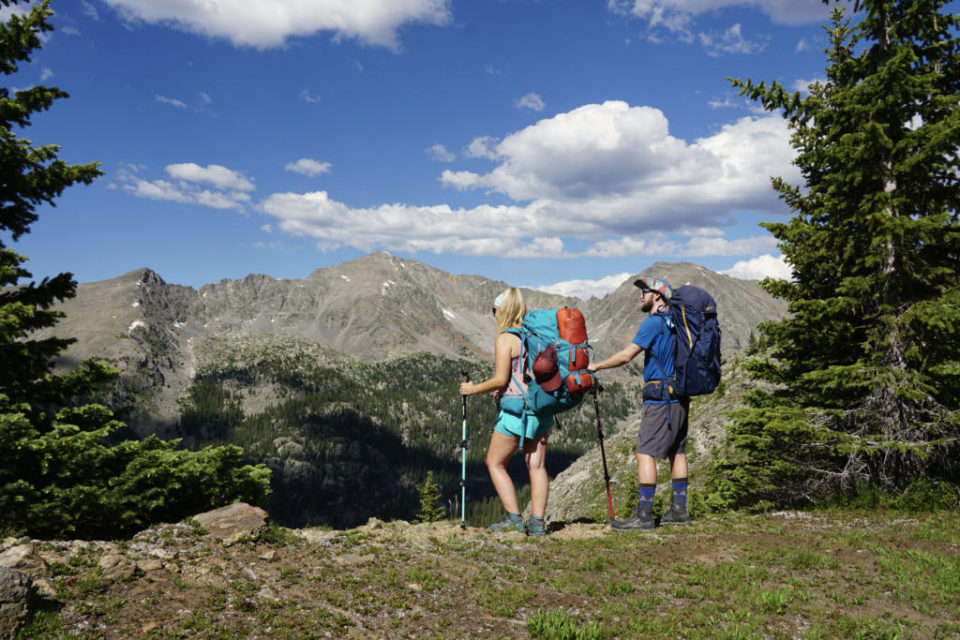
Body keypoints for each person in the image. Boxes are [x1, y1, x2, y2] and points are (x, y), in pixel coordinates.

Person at [587, 277, 692, 530]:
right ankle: (680, 509)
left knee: (644, 452)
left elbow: (626, 356)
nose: (640, 296)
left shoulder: (653, 323)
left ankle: (644, 516)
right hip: (680, 394)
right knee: (676, 451)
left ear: (657, 295)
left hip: (659, 398)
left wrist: (597, 365)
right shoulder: (677, 322)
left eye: (644, 291)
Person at [459, 287, 550, 537]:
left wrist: (474, 388)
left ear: (503, 311)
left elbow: (500, 379)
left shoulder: (505, 339)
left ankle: (513, 518)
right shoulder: (535, 335)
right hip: (541, 410)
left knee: (495, 463)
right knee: (537, 467)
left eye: (494, 311)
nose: (493, 316)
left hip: (515, 415)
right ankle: (537, 523)